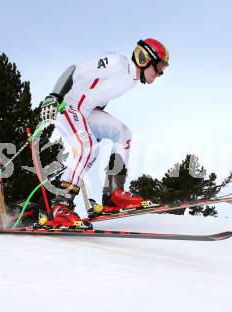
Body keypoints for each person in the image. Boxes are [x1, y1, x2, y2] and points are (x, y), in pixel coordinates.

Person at [39, 38, 169, 229]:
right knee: (87, 148)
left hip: (87, 111)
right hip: (68, 105)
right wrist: (54, 96)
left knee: (123, 133)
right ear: (144, 59)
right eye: (159, 67)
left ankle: (113, 195)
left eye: (163, 70)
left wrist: (93, 128)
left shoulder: (130, 82)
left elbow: (96, 96)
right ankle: (60, 207)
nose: (160, 74)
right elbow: (74, 70)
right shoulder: (116, 63)